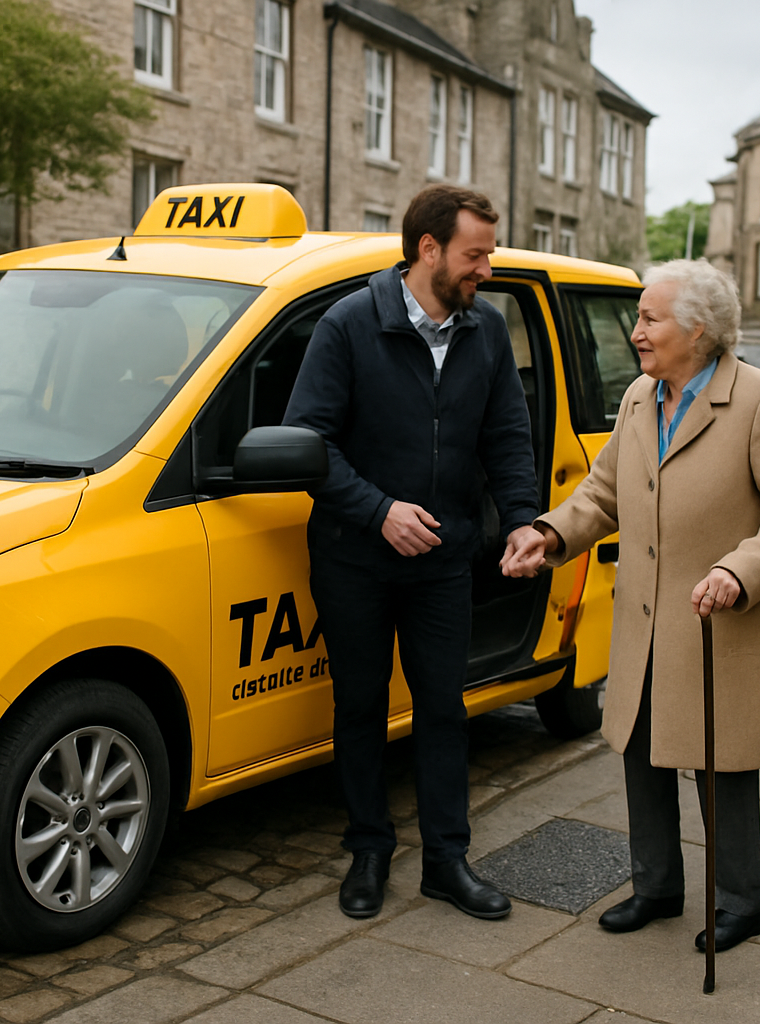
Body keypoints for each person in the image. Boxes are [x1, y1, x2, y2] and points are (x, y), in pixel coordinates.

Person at [505, 258, 760, 952]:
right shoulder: (638, 398)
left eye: (650, 319)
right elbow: (602, 495)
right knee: (640, 752)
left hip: (720, 621)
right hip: (645, 623)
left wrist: (740, 572)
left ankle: (743, 900)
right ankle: (656, 886)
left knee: (722, 761)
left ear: (699, 330)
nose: (638, 332)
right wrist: (549, 532)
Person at [283, 185, 547, 920]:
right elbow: (310, 442)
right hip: (353, 559)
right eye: (475, 254)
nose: (485, 269)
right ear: (428, 248)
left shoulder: (486, 331)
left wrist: (522, 518)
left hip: (442, 561)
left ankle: (446, 862)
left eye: (487, 254)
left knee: (443, 709)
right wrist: (378, 512)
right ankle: (368, 851)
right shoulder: (347, 326)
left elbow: (507, 437)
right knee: (361, 706)